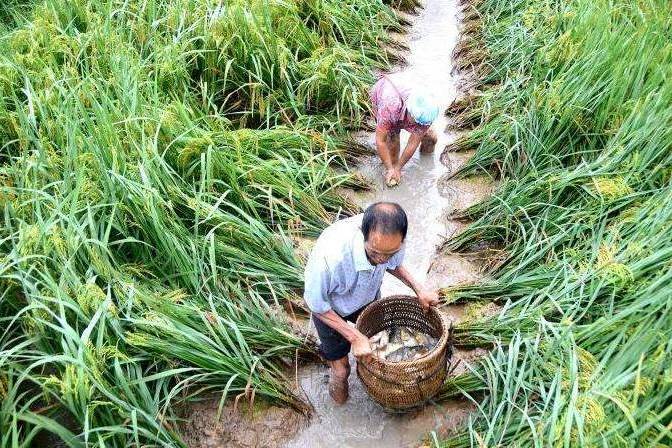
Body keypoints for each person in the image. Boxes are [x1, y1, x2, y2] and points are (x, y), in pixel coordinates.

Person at [303, 202, 440, 404]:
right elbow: (315, 304)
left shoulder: (393, 241)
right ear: (363, 235)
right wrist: (355, 337)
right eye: (375, 253)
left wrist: (419, 289)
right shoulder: (330, 258)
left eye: (390, 253)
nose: (383, 259)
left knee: (382, 345)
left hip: (366, 295)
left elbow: (393, 264)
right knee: (342, 370)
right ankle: (340, 409)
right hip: (331, 309)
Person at [369, 72, 440, 187]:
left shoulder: (428, 111)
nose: (419, 126)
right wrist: (391, 168)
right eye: (416, 122)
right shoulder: (390, 108)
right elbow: (380, 141)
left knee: (431, 138)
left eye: (423, 124)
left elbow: (413, 142)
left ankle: (423, 161)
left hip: (405, 85)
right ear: (409, 110)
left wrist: (400, 167)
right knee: (392, 138)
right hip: (384, 90)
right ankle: (390, 171)